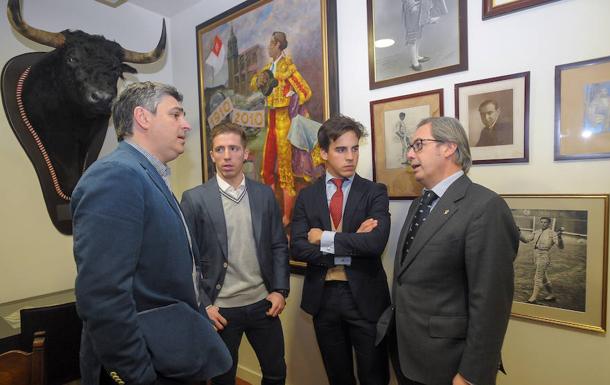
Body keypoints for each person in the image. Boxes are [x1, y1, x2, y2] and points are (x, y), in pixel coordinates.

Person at [72, 82, 228, 385]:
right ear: (143, 117)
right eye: (176, 115)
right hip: (145, 365)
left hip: (169, 354)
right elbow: (103, 296)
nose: (186, 125)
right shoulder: (117, 175)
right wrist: (137, 375)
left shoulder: (147, 174)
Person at [377, 117, 519, 385]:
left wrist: (472, 374)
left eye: (418, 145)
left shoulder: (485, 207)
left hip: (450, 363)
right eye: (409, 146)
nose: (409, 154)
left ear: (449, 148)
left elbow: (490, 303)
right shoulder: (421, 202)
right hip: (408, 353)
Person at [180, 122, 290, 385]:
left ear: (245, 153)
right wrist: (203, 304)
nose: (227, 155)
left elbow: (278, 245)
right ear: (212, 155)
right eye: (220, 149)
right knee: (222, 379)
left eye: (233, 148)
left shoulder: (264, 195)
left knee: (276, 373)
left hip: (263, 305)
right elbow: (187, 258)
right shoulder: (195, 199)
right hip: (221, 311)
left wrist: (280, 290)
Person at [290, 115, 391, 385]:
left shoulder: (374, 192)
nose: (351, 157)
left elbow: (374, 244)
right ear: (323, 153)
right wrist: (350, 242)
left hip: (366, 298)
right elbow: (298, 248)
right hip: (323, 299)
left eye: (355, 148)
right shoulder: (307, 196)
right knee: (338, 377)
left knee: (374, 377)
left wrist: (324, 237)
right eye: (341, 149)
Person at [250, 31, 312, 226]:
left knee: (285, 171)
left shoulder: (287, 66)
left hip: (285, 119)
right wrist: (258, 82)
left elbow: (305, 91)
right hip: (272, 120)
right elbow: (254, 85)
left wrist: (291, 97)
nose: (268, 47)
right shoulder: (268, 68)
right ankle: (272, 212)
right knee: (266, 169)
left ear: (277, 45)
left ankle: (286, 217)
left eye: (270, 44)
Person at [519, 217, 564, 304]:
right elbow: (525, 240)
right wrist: (518, 232)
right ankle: (551, 295)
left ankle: (533, 298)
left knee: (538, 277)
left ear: (549, 224)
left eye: (545, 222)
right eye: (542, 222)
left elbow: (561, 247)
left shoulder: (552, 233)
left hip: (544, 256)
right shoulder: (537, 231)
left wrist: (559, 237)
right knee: (543, 277)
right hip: (535, 255)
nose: (543, 224)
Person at [402, 0, 448, 71]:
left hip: (422, 5)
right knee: (412, 34)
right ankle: (414, 62)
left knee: (419, 32)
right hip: (411, 6)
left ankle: (417, 56)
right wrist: (412, 6)